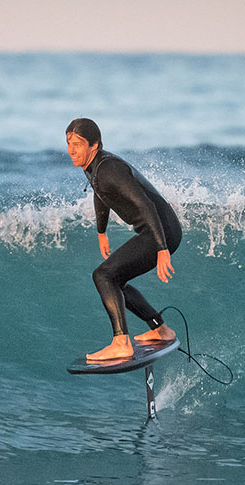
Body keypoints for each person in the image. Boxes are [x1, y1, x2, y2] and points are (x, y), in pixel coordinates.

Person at [65, 118, 183, 361]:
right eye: (68, 143)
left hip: (161, 230)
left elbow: (145, 204)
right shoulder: (94, 168)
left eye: (78, 144)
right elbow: (100, 193)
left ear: (94, 146)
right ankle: (161, 330)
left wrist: (162, 248)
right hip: (157, 230)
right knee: (114, 279)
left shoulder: (109, 169)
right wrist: (101, 232)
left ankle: (121, 342)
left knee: (103, 275)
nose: (71, 150)